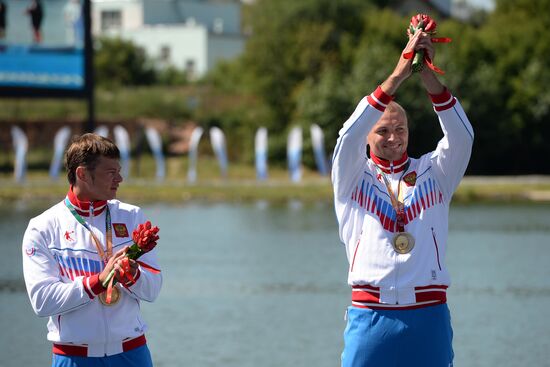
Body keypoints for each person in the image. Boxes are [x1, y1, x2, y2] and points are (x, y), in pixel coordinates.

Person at [331, 29, 474, 366]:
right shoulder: (352, 175)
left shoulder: (435, 173)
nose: (393, 137)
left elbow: (463, 137)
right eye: (382, 129)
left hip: (428, 316)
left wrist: (427, 77)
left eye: (400, 130)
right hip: (370, 317)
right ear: (368, 135)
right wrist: (398, 76)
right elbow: (347, 136)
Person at [22, 133, 162, 367]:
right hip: (73, 357)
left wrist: (133, 275)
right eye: (111, 173)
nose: (120, 179)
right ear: (82, 174)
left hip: (132, 354)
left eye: (119, 170)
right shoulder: (42, 227)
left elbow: (153, 290)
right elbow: (42, 301)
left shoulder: (131, 216)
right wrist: (97, 281)